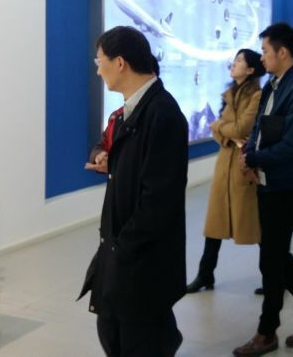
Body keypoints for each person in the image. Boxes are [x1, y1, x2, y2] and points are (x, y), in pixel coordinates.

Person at [78, 26, 189, 357]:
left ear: (120, 62)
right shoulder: (131, 111)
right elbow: (124, 157)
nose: (98, 71)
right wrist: (108, 158)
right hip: (123, 252)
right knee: (114, 330)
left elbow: (159, 200)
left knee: (139, 339)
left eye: (99, 61)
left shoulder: (162, 114)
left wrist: (122, 248)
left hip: (140, 259)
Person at [233, 23, 293, 356]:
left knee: (271, 258)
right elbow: (260, 127)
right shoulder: (274, 85)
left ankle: (267, 331)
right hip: (267, 179)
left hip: (288, 183)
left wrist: (253, 158)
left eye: (265, 51)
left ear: (282, 52)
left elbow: (292, 146)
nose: (262, 57)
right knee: (274, 252)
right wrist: (248, 155)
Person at [186, 49, 266, 293]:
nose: (234, 63)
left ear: (251, 69)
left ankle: (274, 276)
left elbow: (242, 128)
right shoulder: (229, 94)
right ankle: (205, 275)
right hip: (224, 165)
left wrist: (220, 126)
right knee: (215, 224)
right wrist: (225, 131)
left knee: (258, 226)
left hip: (245, 165)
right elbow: (221, 133)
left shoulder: (258, 96)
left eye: (240, 60)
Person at [85, 106, 124, 174]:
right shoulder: (116, 115)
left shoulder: (143, 114)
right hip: (115, 179)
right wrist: (100, 156)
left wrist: (114, 165)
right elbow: (101, 145)